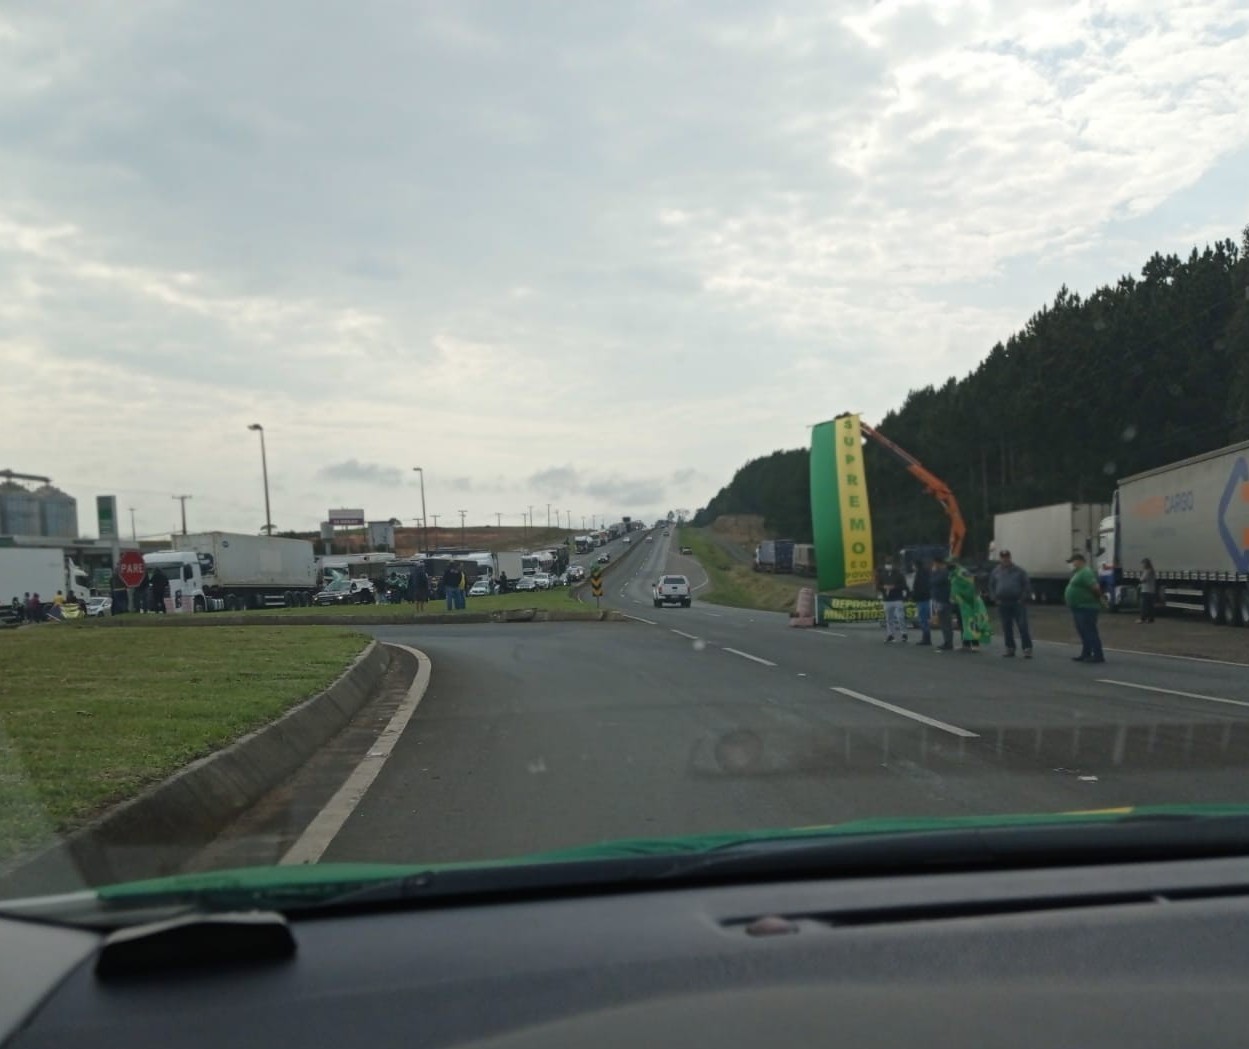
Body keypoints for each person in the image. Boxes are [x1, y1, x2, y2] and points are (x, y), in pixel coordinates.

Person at [989, 550, 1033, 659]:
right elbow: (991, 586)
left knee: (1022, 626)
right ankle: (1010, 648)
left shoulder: (1019, 571)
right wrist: (994, 598)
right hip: (1002, 602)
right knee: (1006, 626)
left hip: (1017, 602)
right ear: (1000, 558)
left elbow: (1026, 585)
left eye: (1007, 557)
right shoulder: (996, 571)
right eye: (1003, 557)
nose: (1005, 559)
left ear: (1010, 558)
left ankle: (1027, 649)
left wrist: (1022, 598)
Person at [1065, 552, 1105, 663]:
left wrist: (1099, 599)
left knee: (1090, 631)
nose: (1072, 564)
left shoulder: (1086, 572)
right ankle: (1086, 653)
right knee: (1083, 631)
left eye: (1073, 562)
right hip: (1078, 607)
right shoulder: (1078, 573)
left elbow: (1095, 588)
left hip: (1087, 607)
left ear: (1079, 561)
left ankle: (1098, 655)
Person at [949, 560, 991, 652]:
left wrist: (972, 597)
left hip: (968, 601)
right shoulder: (952, 573)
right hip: (959, 601)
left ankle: (975, 644)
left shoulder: (962, 572)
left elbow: (971, 582)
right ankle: (966, 644)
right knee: (962, 623)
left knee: (972, 622)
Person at [929, 555, 954, 651]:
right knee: (943, 622)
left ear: (938, 563)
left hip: (944, 600)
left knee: (946, 622)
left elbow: (935, 581)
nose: (933, 565)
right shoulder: (939, 572)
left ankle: (949, 642)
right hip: (938, 599)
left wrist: (933, 573)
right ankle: (946, 641)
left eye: (935, 563)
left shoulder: (944, 572)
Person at [881, 560, 908, 643]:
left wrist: (894, 587)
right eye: (887, 564)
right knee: (889, 618)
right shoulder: (883, 574)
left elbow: (904, 585)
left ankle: (904, 633)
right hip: (887, 599)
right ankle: (891, 635)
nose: (888, 566)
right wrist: (883, 587)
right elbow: (878, 585)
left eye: (890, 564)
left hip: (897, 598)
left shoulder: (899, 574)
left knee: (900, 616)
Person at [911, 557, 932, 646]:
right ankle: (926, 638)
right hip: (925, 598)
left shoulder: (920, 574)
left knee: (923, 619)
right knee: (924, 619)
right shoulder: (925, 573)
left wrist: (914, 596)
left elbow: (920, 588)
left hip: (922, 599)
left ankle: (926, 638)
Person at [1138, 558, 1157, 623]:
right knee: (1150, 606)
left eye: (1143, 564)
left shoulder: (1147, 571)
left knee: (1144, 606)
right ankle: (1150, 619)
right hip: (1151, 591)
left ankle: (1142, 619)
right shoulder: (1151, 571)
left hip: (1146, 591)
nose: (1142, 565)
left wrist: (1140, 579)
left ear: (1146, 564)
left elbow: (1143, 580)